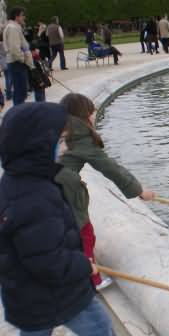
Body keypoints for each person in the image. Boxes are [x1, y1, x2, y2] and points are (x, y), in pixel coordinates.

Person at [0, 102, 149, 336]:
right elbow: (47, 260)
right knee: (98, 326)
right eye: (59, 142)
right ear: (36, 146)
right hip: (58, 293)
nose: (65, 149)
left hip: (26, 295)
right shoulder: (36, 198)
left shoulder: (16, 183)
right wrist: (83, 264)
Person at [55, 93, 155, 290]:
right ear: (85, 115)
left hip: (45, 185)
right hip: (65, 187)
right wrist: (139, 191)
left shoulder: (56, 128)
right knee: (85, 233)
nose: (95, 115)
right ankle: (92, 280)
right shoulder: (81, 135)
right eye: (92, 111)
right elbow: (110, 168)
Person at [3, 7, 33, 105]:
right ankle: (19, 115)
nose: (24, 17)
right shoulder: (13, 28)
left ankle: (19, 113)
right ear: (17, 16)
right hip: (17, 63)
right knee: (20, 92)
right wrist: (24, 59)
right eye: (22, 15)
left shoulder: (14, 27)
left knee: (20, 91)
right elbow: (14, 49)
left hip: (16, 63)